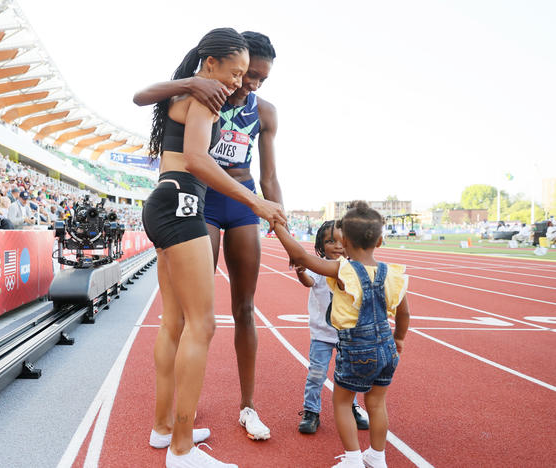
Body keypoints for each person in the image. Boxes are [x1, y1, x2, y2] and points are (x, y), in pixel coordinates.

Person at [138, 28, 285, 468]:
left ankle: (164, 429)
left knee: (174, 323)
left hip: (165, 202)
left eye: (249, 75)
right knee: (201, 326)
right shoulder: (204, 97)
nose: (241, 82)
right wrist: (254, 200)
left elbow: (143, 96)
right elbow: (201, 160)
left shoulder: (189, 92)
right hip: (184, 207)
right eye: (237, 72)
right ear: (211, 64)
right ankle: (182, 450)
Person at [272, 201, 410, 468]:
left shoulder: (343, 269)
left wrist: (278, 226)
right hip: (386, 348)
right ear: (380, 240)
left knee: (343, 402)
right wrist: (400, 339)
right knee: (377, 403)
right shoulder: (392, 274)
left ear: (343, 241)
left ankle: (353, 459)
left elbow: (301, 257)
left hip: (357, 347)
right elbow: (404, 314)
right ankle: (378, 457)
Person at [295, 221, 369, 434]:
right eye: (330, 241)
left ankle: (352, 407)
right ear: (321, 245)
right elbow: (309, 282)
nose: (337, 246)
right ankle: (311, 411)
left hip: (348, 334)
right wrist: (301, 272)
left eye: (342, 242)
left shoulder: (353, 269)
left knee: (349, 375)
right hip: (322, 334)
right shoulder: (320, 266)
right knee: (317, 373)